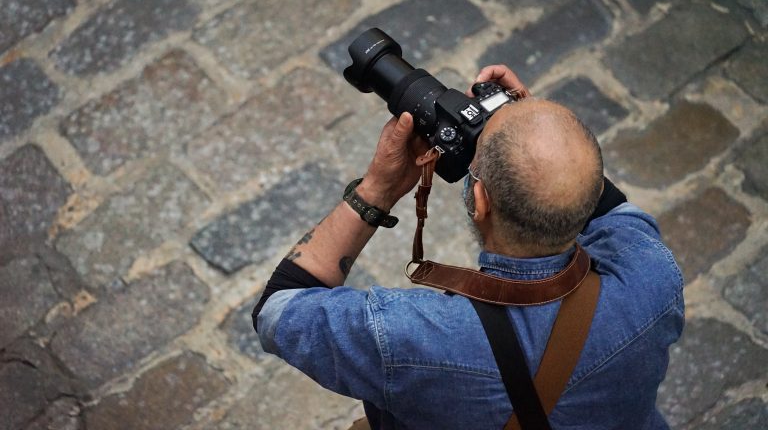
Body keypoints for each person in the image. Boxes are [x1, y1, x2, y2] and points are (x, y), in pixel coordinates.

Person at [252, 65, 684, 429]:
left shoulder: (409, 339)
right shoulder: (653, 276)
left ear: (480, 202)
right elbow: (607, 206)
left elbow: (277, 309)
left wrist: (377, 191)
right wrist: (529, 127)